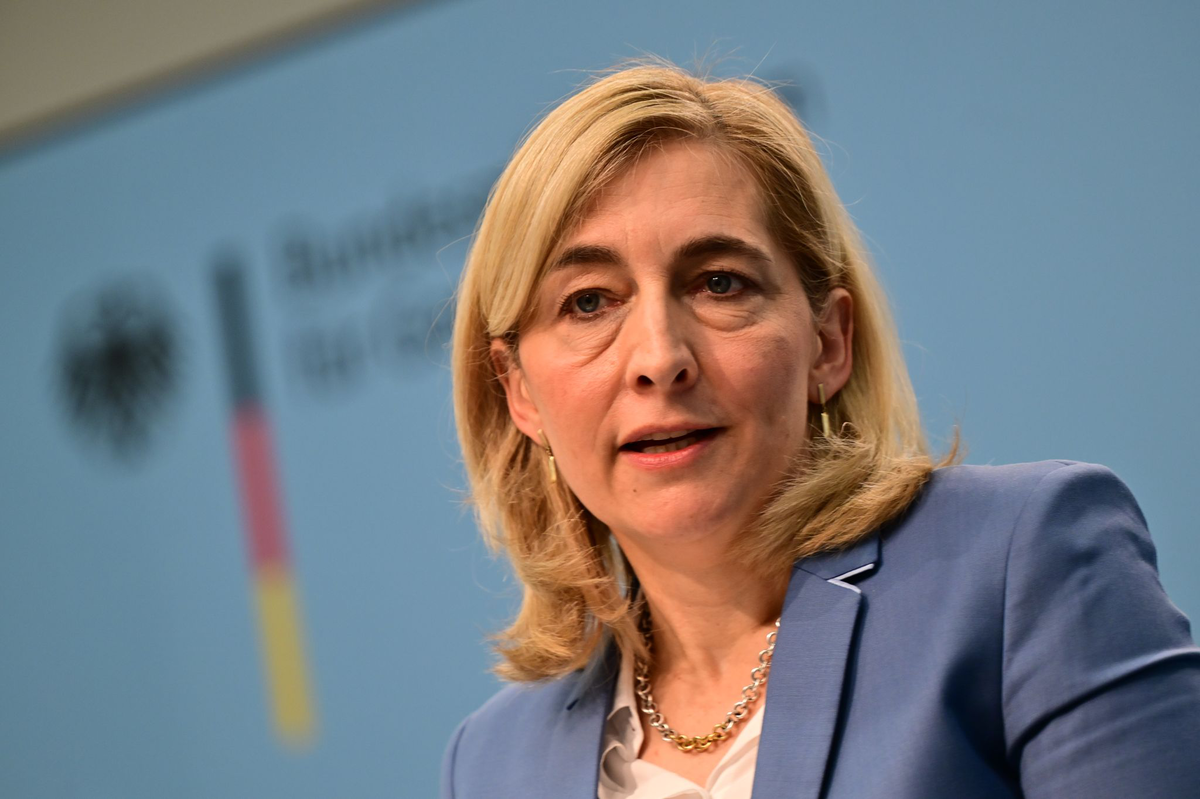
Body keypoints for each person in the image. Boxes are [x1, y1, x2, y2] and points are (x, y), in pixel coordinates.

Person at [441, 61, 1200, 798]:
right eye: (588, 302)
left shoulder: (1021, 566)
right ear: (520, 391)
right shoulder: (489, 763)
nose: (660, 359)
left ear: (828, 342)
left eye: (718, 284)